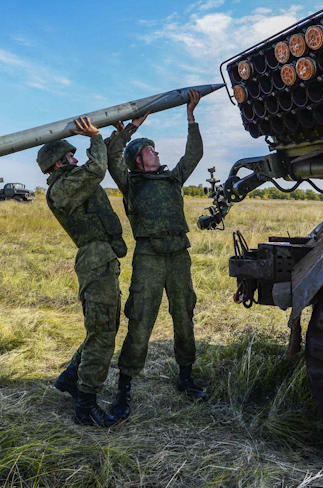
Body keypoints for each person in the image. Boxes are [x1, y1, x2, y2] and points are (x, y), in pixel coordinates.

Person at [106, 89, 207, 421]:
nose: (156, 152)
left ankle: (186, 376)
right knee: (141, 321)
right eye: (150, 150)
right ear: (138, 160)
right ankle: (124, 389)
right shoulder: (131, 183)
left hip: (179, 255)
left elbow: (194, 155)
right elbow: (112, 156)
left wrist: (191, 117)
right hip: (149, 258)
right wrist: (130, 128)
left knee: (184, 315)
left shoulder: (173, 178)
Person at [37, 116, 127, 427]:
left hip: (102, 258)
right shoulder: (62, 189)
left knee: (103, 327)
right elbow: (97, 168)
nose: (76, 159)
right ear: (59, 164)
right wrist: (95, 137)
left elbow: (97, 162)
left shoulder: (71, 181)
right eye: (70, 156)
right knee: (103, 333)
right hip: (95, 261)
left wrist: (128, 130)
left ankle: (71, 378)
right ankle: (86, 405)